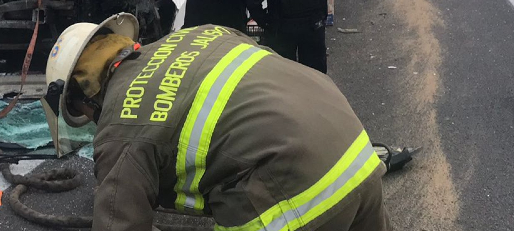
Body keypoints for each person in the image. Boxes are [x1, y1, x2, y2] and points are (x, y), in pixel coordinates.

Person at [41, 14, 392, 231]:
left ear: (84, 95)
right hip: (356, 153)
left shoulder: (121, 125)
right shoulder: (197, 34)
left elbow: (119, 222)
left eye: (82, 115)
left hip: (298, 187)